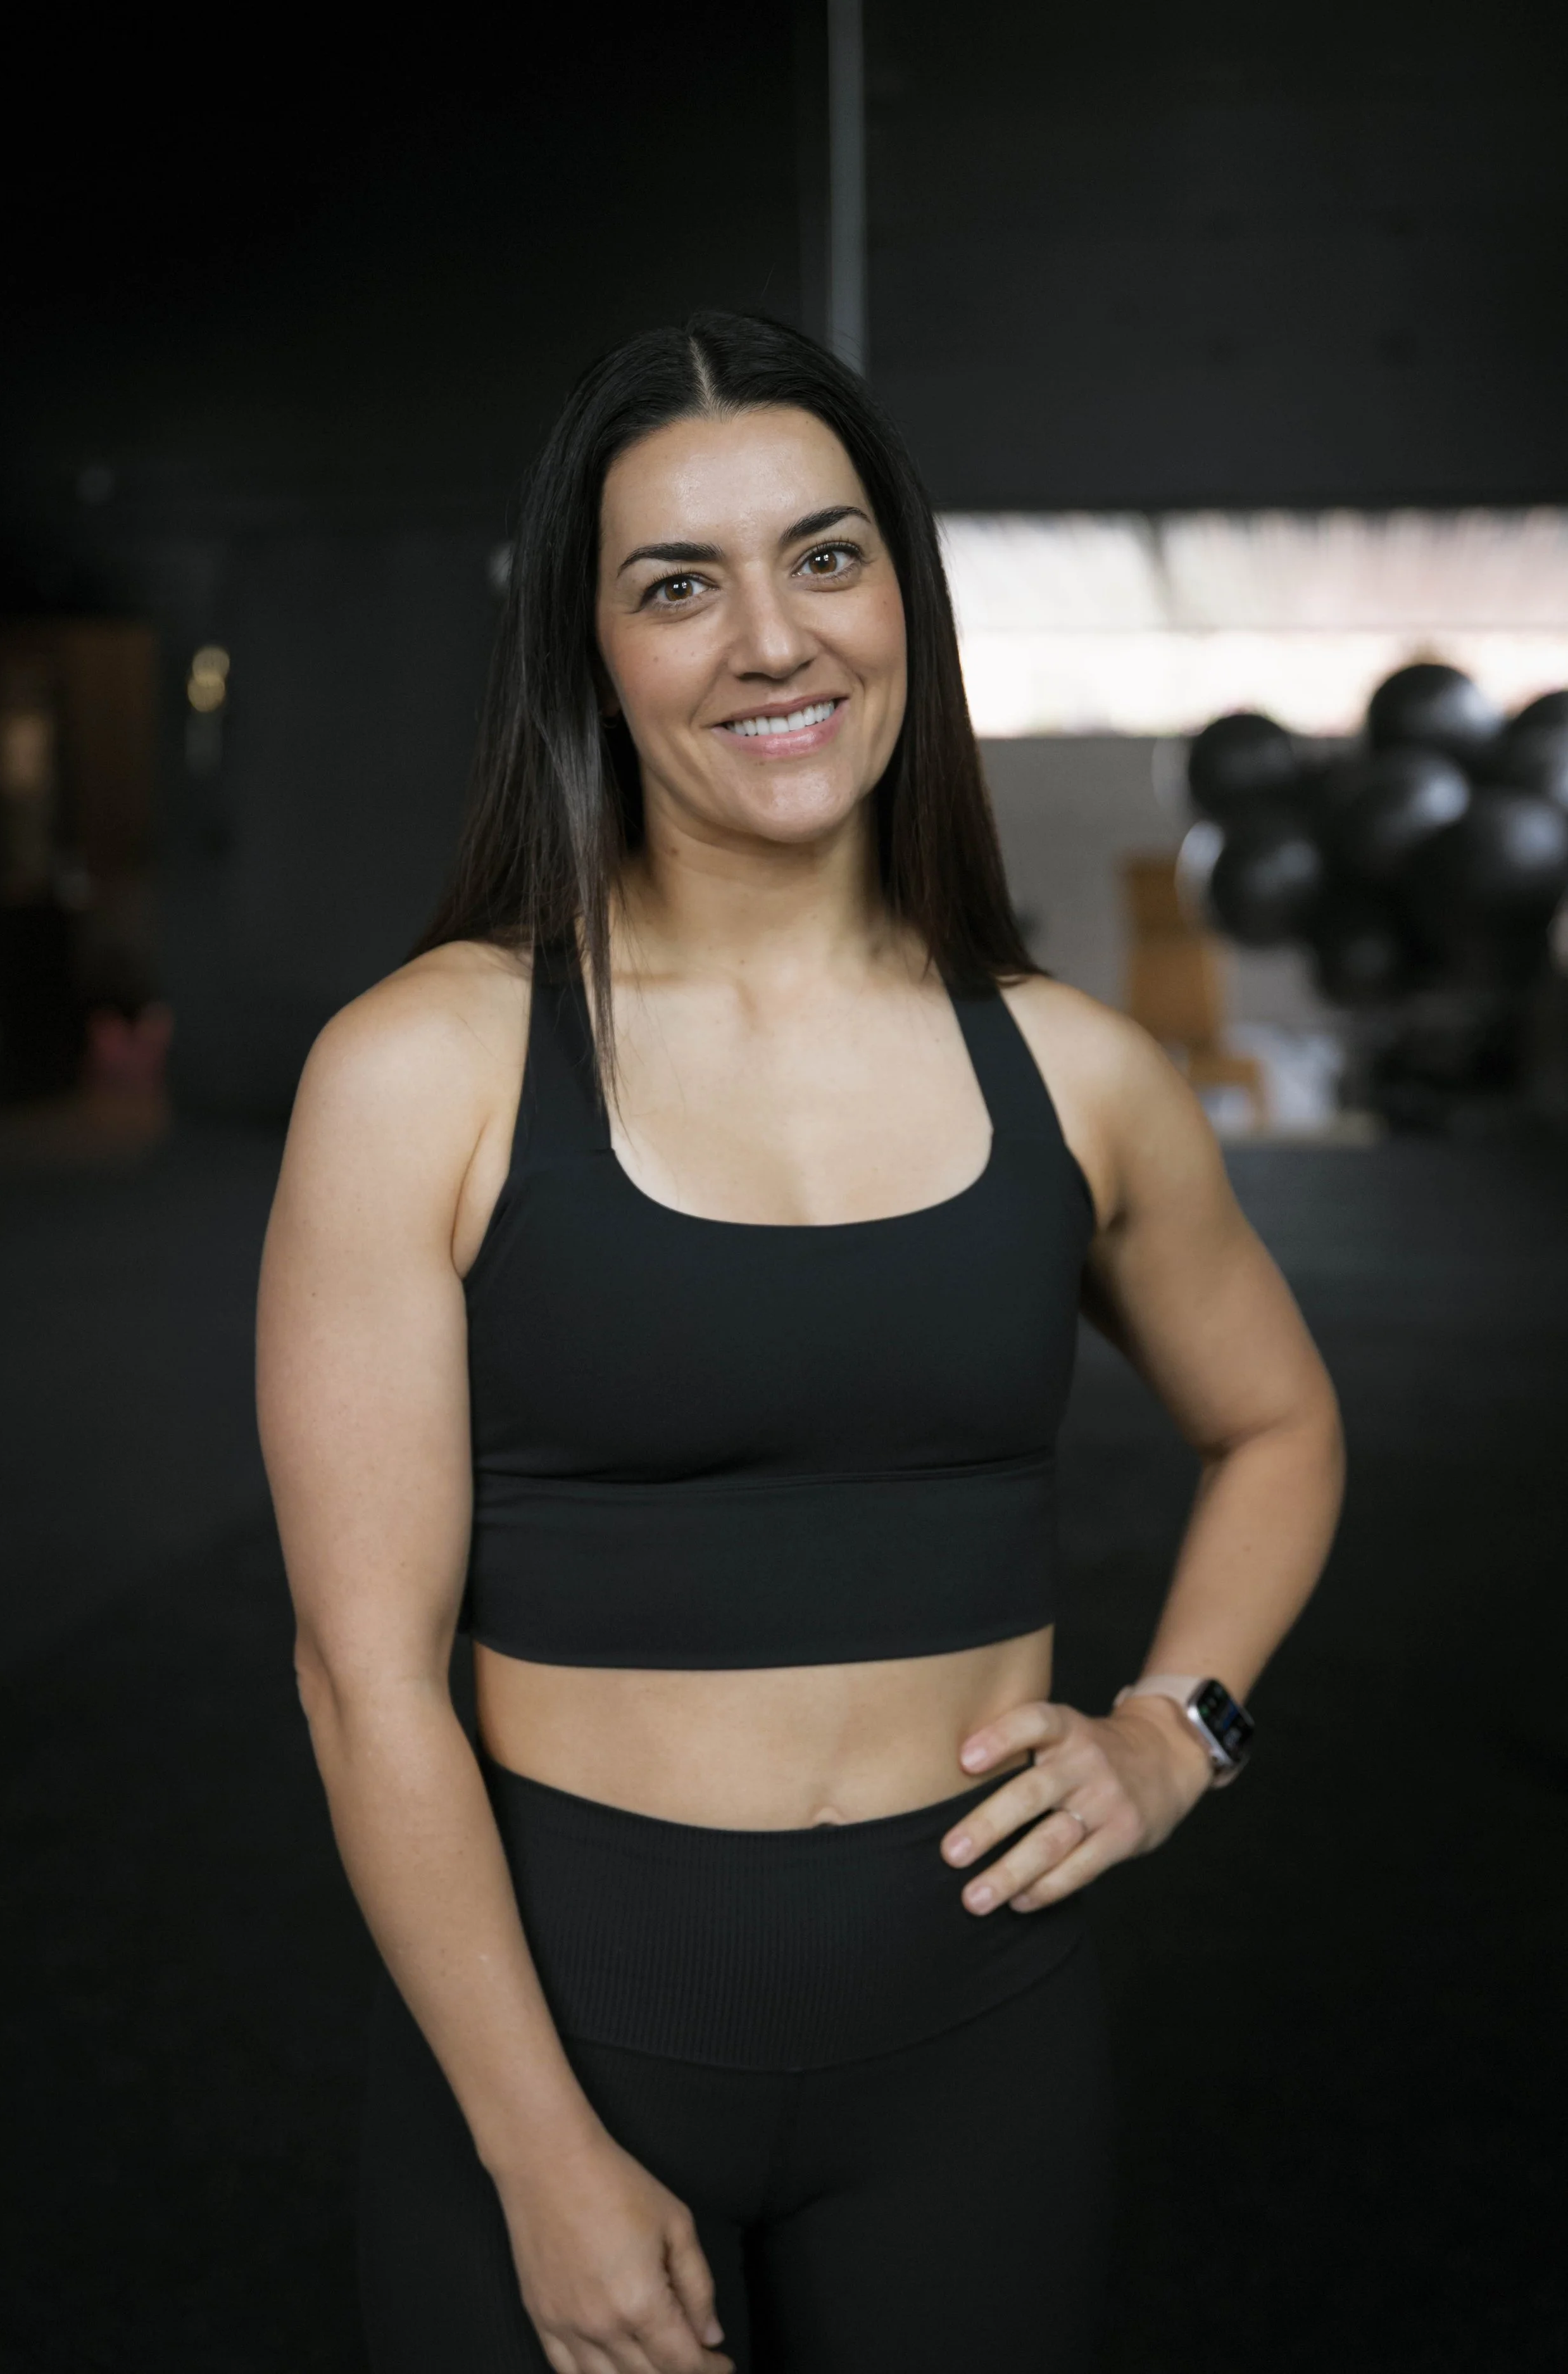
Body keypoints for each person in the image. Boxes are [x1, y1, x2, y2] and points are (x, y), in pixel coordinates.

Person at [257, 311, 1344, 2374]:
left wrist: (1173, 1736)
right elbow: (359, 1673)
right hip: (565, 2027)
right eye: (680, 585)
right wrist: (537, 2150)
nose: (772, 639)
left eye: (824, 559)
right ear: (591, 652)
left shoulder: (1077, 1071)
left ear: (900, 601)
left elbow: (1279, 1421)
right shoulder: (427, 1065)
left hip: (980, 2042)